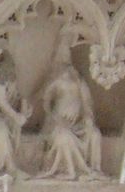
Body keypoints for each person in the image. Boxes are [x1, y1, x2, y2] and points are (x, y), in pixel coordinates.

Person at [37, 33, 104, 180]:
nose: (64, 61)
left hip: (78, 125)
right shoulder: (54, 80)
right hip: (60, 124)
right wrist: (56, 119)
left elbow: (87, 103)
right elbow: (44, 101)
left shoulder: (79, 81)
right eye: (61, 57)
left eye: (66, 57)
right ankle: (69, 171)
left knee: (95, 134)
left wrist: (88, 118)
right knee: (64, 137)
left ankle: (94, 169)